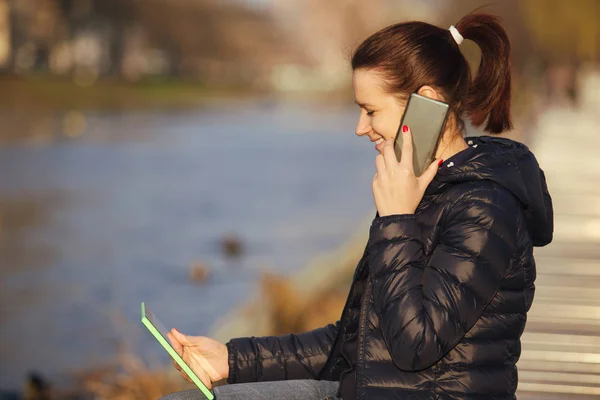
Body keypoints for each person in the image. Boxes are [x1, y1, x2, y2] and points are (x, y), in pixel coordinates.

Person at [160, 11, 553, 400]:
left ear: (426, 104)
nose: (360, 128)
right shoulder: (419, 190)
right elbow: (356, 344)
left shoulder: (484, 208)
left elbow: (415, 345)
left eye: (370, 111)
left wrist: (397, 220)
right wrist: (230, 359)